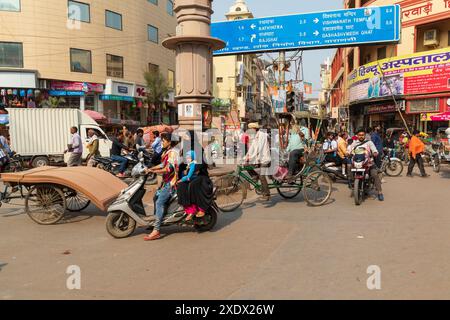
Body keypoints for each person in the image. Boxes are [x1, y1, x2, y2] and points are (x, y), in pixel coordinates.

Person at [144, 133, 179, 241]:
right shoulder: (166, 152)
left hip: (171, 183)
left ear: (169, 142)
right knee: (155, 198)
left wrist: (153, 170)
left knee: (159, 202)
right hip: (166, 182)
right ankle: (156, 221)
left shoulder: (173, 153)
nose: (161, 143)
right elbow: (162, 165)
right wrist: (151, 168)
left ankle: (156, 230)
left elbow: (168, 169)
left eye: (163, 141)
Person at [347, 128, 385, 201]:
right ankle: (352, 182)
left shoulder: (369, 142)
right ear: (357, 136)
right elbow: (349, 150)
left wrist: (375, 153)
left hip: (368, 163)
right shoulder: (354, 143)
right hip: (357, 163)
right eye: (359, 135)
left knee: (374, 174)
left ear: (364, 135)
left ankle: (380, 192)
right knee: (349, 167)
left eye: (362, 135)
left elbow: (374, 149)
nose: (361, 136)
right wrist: (347, 153)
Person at [244, 122, 271, 201]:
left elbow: (259, 148)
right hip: (258, 159)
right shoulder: (255, 137)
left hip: (264, 159)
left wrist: (251, 157)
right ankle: (254, 176)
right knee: (245, 165)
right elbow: (251, 148)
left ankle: (266, 193)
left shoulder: (262, 135)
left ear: (254, 129)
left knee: (262, 176)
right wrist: (245, 157)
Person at [177, 151, 200, 221]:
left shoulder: (193, 165)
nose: (187, 158)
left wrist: (181, 180)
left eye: (189, 157)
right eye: (187, 157)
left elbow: (189, 176)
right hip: (188, 181)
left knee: (182, 189)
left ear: (192, 157)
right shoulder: (188, 165)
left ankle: (191, 211)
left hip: (192, 182)